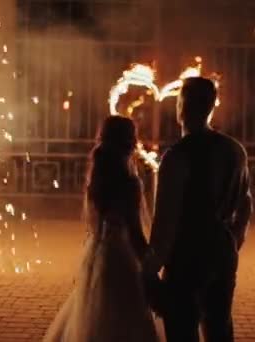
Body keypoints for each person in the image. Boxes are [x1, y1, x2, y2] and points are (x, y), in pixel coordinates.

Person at [144, 77, 253, 342]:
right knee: (219, 325)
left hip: (186, 257)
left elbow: (166, 218)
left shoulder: (178, 155)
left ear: (181, 106)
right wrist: (233, 241)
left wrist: (151, 266)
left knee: (182, 327)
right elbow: (246, 205)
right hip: (222, 251)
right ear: (212, 107)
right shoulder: (234, 150)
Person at [44, 116, 158, 342]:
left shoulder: (97, 180)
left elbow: (94, 224)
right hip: (121, 257)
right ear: (128, 141)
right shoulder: (129, 183)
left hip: (97, 252)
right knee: (125, 319)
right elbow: (135, 232)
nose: (136, 142)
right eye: (133, 137)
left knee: (95, 317)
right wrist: (150, 264)